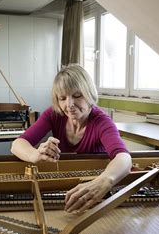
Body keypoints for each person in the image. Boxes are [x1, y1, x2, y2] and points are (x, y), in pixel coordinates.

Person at [11, 64, 132, 213]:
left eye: (77, 96)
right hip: (62, 189)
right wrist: (35, 154)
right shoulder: (54, 114)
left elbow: (124, 158)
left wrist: (104, 180)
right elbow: (17, 144)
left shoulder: (102, 121)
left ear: (89, 94)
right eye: (62, 98)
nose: (69, 105)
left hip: (93, 191)